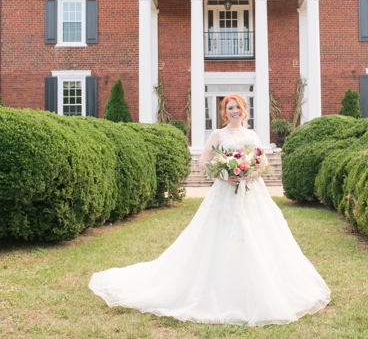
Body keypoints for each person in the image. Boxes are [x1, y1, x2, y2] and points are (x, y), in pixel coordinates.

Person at [89, 94, 331, 326]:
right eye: (230, 108)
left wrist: (250, 172)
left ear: (244, 110)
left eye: (238, 107)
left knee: (260, 235)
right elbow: (204, 162)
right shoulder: (218, 134)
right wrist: (226, 174)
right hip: (226, 191)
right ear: (224, 112)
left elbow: (262, 162)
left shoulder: (253, 134)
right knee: (221, 237)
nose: (234, 111)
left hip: (253, 193)